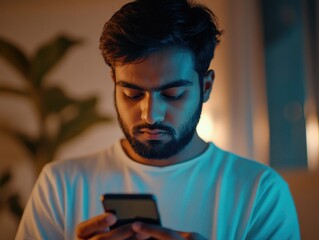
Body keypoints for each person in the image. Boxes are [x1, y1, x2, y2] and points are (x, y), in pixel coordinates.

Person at [16, 0, 300, 239]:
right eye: (132, 94)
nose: (150, 114)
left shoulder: (260, 192)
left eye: (173, 94)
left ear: (206, 87)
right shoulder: (60, 185)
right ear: (114, 83)